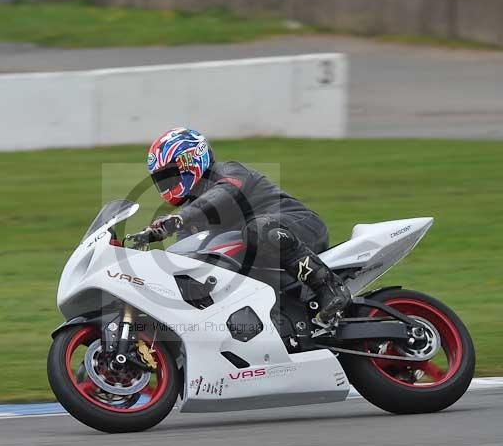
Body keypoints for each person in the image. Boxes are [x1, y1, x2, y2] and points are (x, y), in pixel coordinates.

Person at [145, 127, 350, 321]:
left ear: (191, 160)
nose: (167, 183)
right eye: (161, 179)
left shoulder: (227, 172)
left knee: (257, 229)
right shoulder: (192, 218)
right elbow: (183, 262)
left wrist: (180, 218)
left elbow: (223, 194)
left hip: (299, 227)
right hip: (263, 255)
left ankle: (330, 288)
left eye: (170, 175)